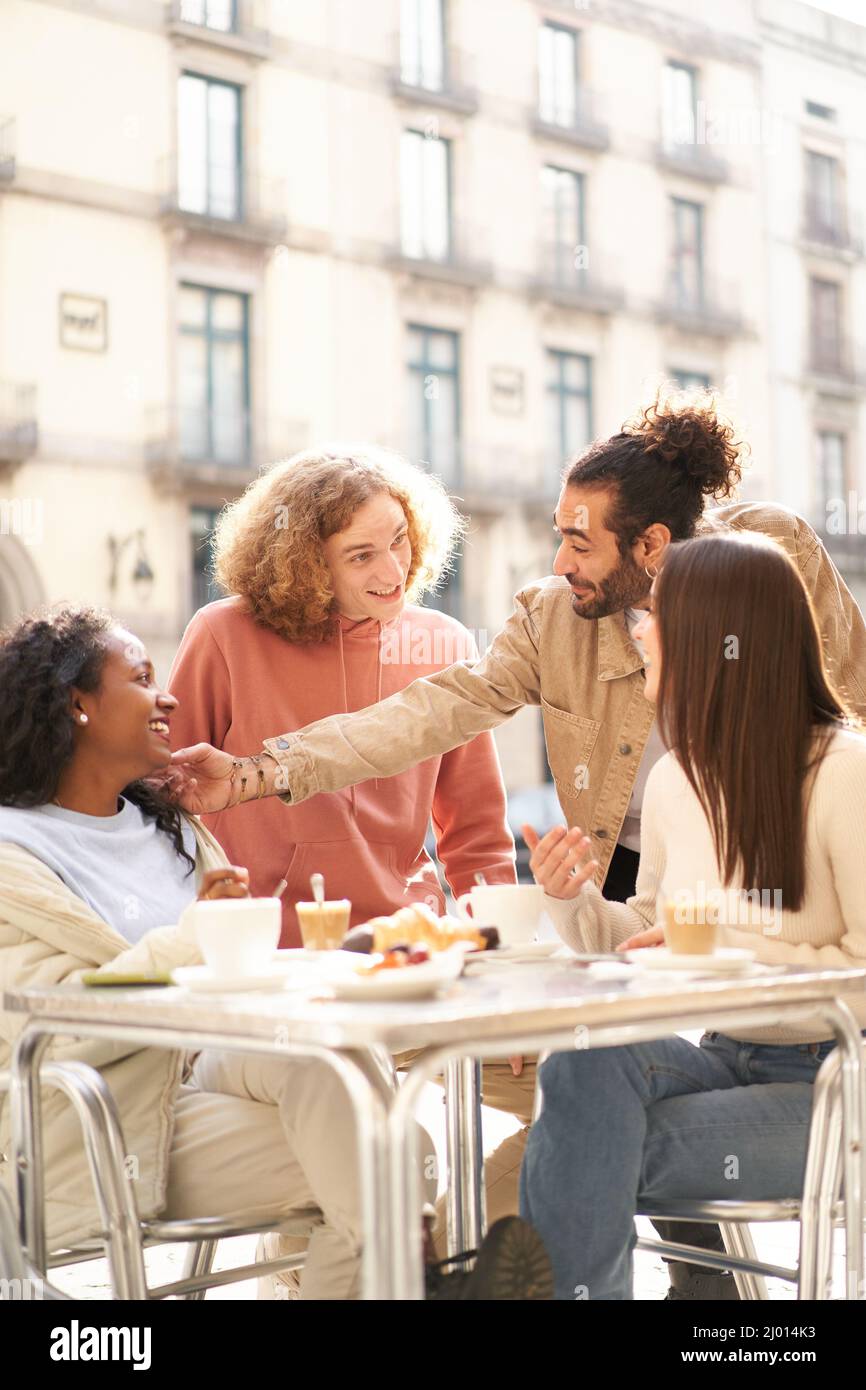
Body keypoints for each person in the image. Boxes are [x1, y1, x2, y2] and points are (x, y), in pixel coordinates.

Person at [160, 392, 866, 1299]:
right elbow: (426, 715)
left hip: (808, 999)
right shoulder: (598, 680)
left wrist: (754, 899)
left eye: (580, 540)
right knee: (588, 1074)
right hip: (683, 948)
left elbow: (826, 700)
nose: (559, 559)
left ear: (651, 549)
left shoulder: (806, 697)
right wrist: (257, 774)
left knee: (570, 1149)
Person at [165, 443, 526, 1288]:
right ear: (302, 561)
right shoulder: (224, 635)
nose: (393, 568)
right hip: (276, 975)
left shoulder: (440, 644)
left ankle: (464, 1250)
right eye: (362, 553)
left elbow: (475, 834)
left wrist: (505, 970)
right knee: (358, 1123)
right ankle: (383, 1249)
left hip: (410, 965)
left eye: (401, 541)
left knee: (581, 1084)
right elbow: (168, 801)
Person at [0, 606, 436, 1300]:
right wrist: (195, 934)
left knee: (336, 1063)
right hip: (108, 1118)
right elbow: (46, 1030)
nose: (167, 696)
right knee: (395, 1161)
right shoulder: (13, 851)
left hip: (206, 1072)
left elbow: (232, 965)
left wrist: (342, 959)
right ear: (77, 704)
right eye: (141, 678)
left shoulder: (165, 824)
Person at [519, 530, 866, 1299]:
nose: (639, 632)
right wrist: (570, 896)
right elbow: (648, 931)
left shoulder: (847, 773)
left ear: (718, 639)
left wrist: (731, 945)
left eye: (654, 617)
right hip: (721, 1055)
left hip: (834, 1082)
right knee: (581, 1062)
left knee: (582, 1149)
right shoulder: (680, 779)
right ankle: (701, 1298)